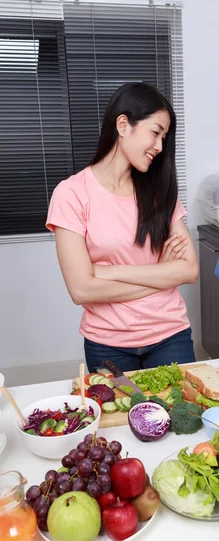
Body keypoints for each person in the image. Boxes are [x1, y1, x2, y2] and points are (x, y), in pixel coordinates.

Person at [46, 82, 199, 373]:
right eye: (155, 132)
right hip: (107, 343)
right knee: (119, 420)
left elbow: (189, 271)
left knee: (185, 418)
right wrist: (162, 276)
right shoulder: (71, 194)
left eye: (164, 138)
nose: (159, 146)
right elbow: (81, 289)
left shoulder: (159, 191)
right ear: (123, 125)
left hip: (170, 335)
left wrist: (107, 272)